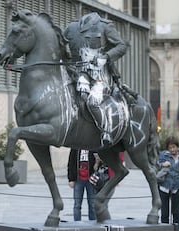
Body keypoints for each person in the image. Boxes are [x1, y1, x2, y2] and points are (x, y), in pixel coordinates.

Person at [64, 12, 127, 145]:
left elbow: (121, 46)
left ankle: (106, 131)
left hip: (100, 76)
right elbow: (61, 45)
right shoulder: (71, 27)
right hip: (79, 73)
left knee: (93, 102)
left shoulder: (105, 26)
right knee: (75, 98)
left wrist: (105, 57)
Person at [158, 136, 179, 228]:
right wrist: (162, 164)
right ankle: (165, 228)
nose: (172, 149)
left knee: (176, 212)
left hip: (176, 186)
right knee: (164, 212)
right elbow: (154, 165)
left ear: (177, 146)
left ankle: (177, 228)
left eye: (174, 147)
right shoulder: (163, 155)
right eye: (170, 147)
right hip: (164, 185)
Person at [67, 149, 99, 221]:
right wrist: (71, 179)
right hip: (78, 179)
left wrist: (96, 164)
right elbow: (71, 163)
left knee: (92, 204)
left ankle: (93, 223)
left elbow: (97, 163)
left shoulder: (92, 147)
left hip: (90, 179)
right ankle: (77, 224)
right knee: (77, 204)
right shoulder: (75, 148)